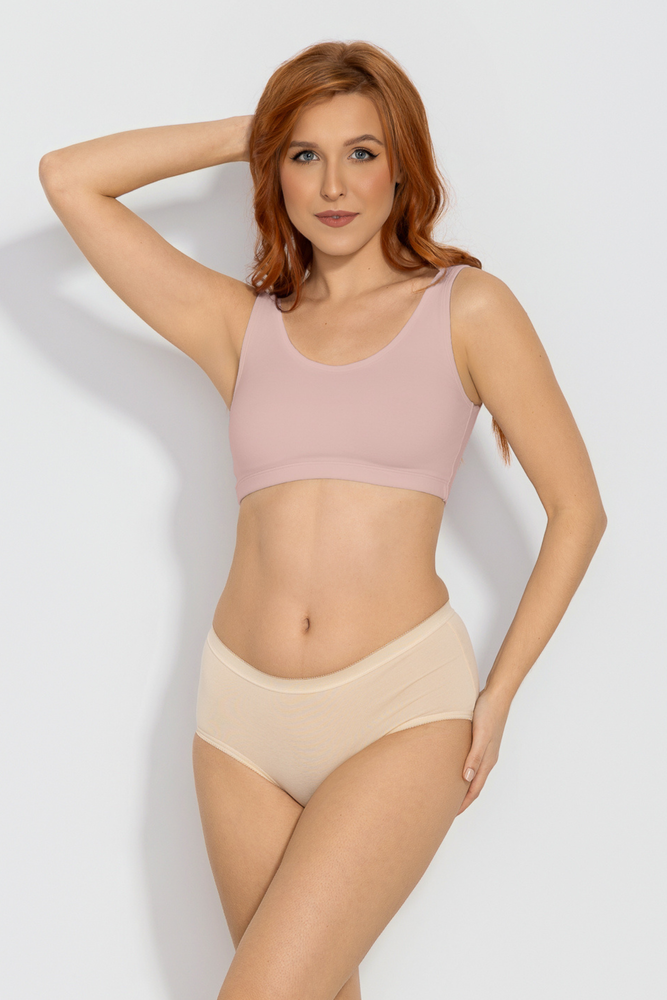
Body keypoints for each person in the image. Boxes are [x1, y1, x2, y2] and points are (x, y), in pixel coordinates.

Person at [39, 38, 607, 1000]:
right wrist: (254, 130)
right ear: (276, 172)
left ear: (402, 166)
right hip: (239, 725)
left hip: (398, 709)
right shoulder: (241, 326)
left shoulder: (467, 308)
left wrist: (499, 693)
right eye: (305, 155)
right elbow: (69, 179)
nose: (334, 184)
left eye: (361, 152)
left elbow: (577, 510)